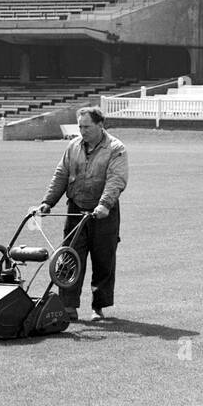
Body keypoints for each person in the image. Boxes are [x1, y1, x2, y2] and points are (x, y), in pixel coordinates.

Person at [33, 106, 129, 322]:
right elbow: (61, 174)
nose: (82, 131)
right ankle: (67, 306)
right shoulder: (73, 146)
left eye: (86, 126)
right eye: (80, 127)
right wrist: (48, 202)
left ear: (99, 125)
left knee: (103, 259)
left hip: (104, 213)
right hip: (76, 209)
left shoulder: (115, 148)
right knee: (69, 257)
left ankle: (99, 307)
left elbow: (117, 179)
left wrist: (104, 204)